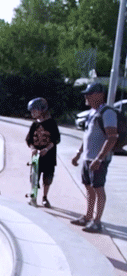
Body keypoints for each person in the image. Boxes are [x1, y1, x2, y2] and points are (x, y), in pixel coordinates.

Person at [71, 83, 120, 233]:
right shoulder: (92, 112)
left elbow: (112, 137)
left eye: (89, 93)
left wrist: (99, 159)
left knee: (98, 189)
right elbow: (87, 136)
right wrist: (79, 154)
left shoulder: (107, 113)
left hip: (98, 159)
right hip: (88, 158)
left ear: (99, 95)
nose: (86, 97)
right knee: (89, 187)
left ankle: (97, 221)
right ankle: (87, 216)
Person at [24, 97, 60, 208]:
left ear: (42, 110)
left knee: (47, 178)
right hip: (36, 157)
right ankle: (33, 197)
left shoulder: (51, 123)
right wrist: (32, 148)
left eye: (34, 110)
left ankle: (45, 197)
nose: (32, 113)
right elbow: (29, 139)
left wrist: (46, 149)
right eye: (31, 111)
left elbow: (56, 139)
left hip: (48, 156)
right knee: (34, 177)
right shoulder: (34, 124)